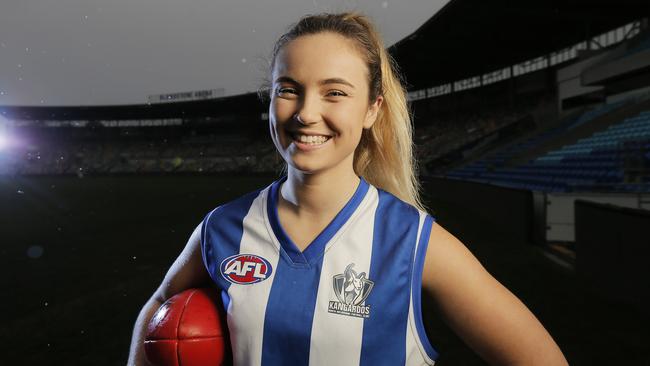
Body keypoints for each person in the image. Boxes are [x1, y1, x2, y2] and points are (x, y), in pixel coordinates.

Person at [128, 12, 568, 365]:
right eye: (289, 90)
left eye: (334, 92)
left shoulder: (413, 242)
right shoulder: (221, 229)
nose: (305, 113)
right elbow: (161, 304)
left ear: (372, 110)